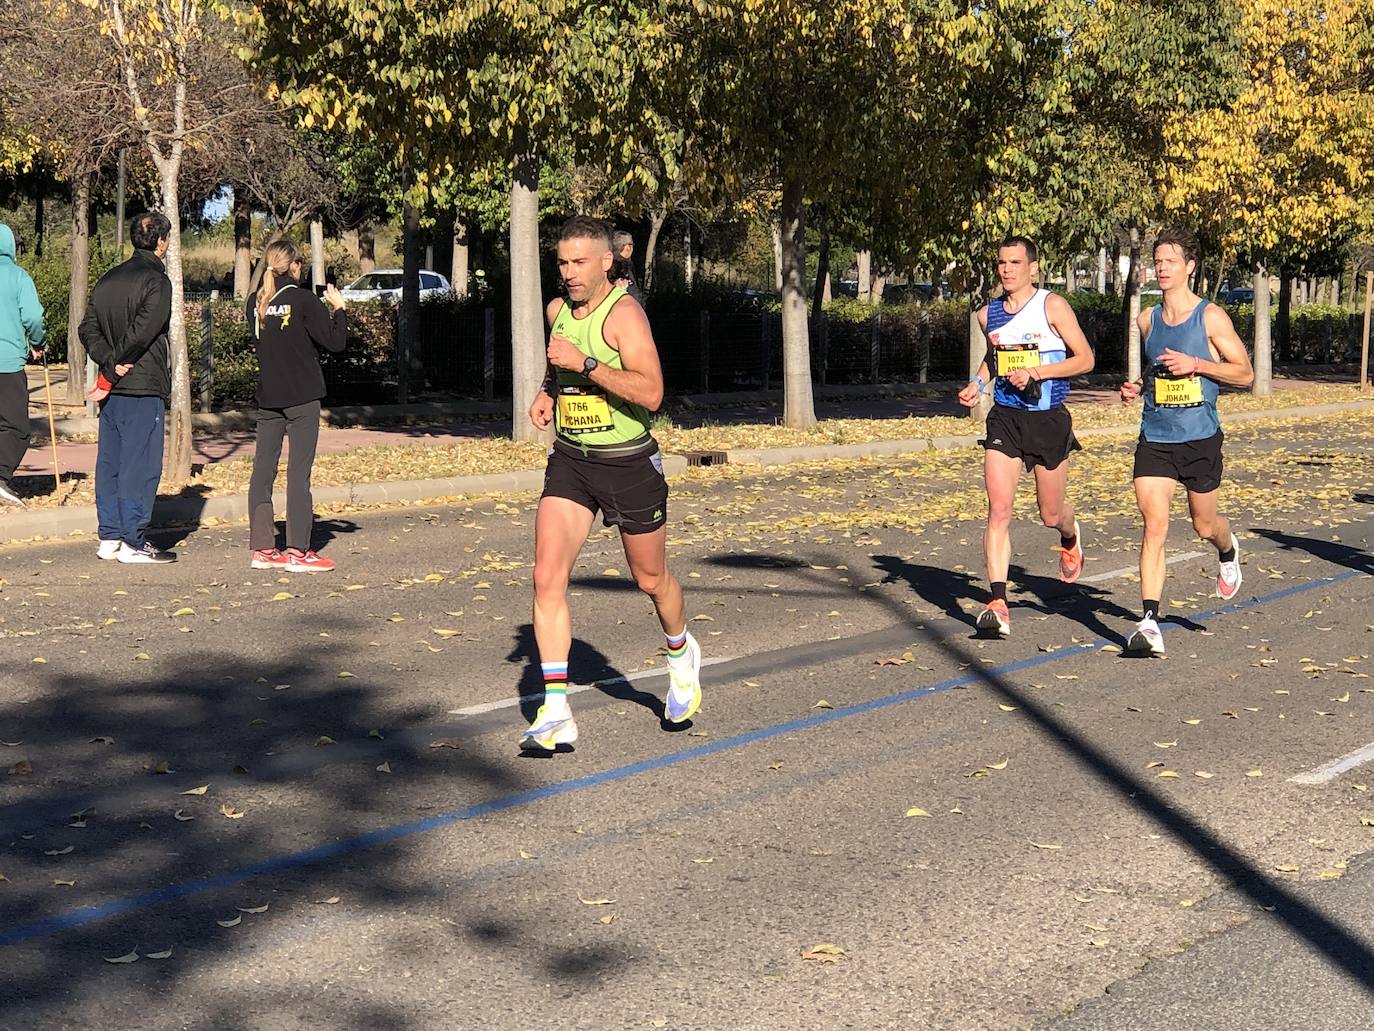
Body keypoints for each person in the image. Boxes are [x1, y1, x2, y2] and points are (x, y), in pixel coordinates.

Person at [519, 216, 699, 751]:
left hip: (628, 463)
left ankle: (680, 651)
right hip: (572, 460)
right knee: (546, 575)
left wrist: (588, 362)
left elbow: (652, 394)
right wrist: (548, 390)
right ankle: (555, 711)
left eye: (578, 262)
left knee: (651, 579)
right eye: (562, 263)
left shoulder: (624, 317)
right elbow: (558, 364)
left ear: (606, 262)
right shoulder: (557, 311)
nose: (569, 273)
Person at [1120, 227, 1252, 656]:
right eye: (1157, 261)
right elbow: (1158, 374)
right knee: (1153, 526)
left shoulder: (1210, 317)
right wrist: (1137, 387)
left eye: (1170, 261)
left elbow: (1244, 373)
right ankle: (1149, 621)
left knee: (1203, 525)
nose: (1161, 267)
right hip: (1155, 436)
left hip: (1200, 439)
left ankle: (1228, 549)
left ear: (1190, 267)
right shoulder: (1147, 320)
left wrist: (1197, 363)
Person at [957, 236, 1096, 637]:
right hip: (1005, 419)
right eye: (1002, 262)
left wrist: (1037, 373)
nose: (1007, 269)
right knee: (998, 510)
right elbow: (994, 358)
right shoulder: (989, 315)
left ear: (1032, 267)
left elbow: (1085, 358)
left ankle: (1070, 536)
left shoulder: (1052, 306)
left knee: (1050, 514)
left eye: (1015, 262)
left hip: (1048, 419)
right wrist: (978, 383)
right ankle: (998, 602)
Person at [244, 240, 347, 572]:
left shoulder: (256, 303)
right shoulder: (304, 300)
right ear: (295, 266)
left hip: (268, 398)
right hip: (302, 397)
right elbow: (335, 342)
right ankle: (298, 551)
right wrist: (340, 308)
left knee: (263, 471)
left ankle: (263, 548)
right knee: (298, 473)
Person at [79, 212, 175, 564]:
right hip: (141, 384)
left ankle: (110, 535)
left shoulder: (108, 279)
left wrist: (106, 363)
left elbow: (87, 327)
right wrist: (113, 365)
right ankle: (133, 540)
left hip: (113, 390)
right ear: (161, 241)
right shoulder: (157, 281)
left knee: (111, 463)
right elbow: (143, 332)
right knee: (141, 464)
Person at [0, 224, 45, 507]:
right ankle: (1, 474)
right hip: (7, 362)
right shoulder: (18, 277)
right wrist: (38, 343)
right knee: (16, 426)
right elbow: (33, 318)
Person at [609, 230, 645, 305]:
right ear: (627, 247)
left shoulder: (605, 264)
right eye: (631, 245)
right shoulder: (623, 268)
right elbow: (634, 294)